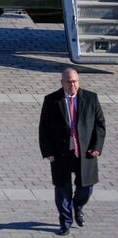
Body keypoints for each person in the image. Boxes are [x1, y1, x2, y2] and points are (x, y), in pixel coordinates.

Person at [39, 68, 105, 236]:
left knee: (86, 187)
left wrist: (96, 147)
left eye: (75, 81)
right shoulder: (51, 100)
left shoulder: (91, 98)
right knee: (62, 188)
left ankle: (78, 205)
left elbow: (99, 124)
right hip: (61, 152)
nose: (72, 84)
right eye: (68, 81)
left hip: (85, 152)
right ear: (62, 83)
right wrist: (47, 151)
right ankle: (65, 222)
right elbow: (44, 128)